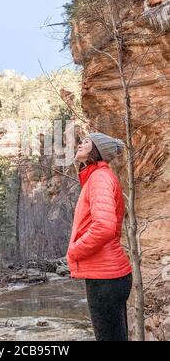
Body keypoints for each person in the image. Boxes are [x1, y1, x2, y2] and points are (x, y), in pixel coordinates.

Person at [66, 132, 133, 341]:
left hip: (106, 278)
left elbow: (104, 227)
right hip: (109, 275)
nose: (80, 144)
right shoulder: (97, 176)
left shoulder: (100, 178)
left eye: (86, 142)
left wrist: (75, 251)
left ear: (97, 150)